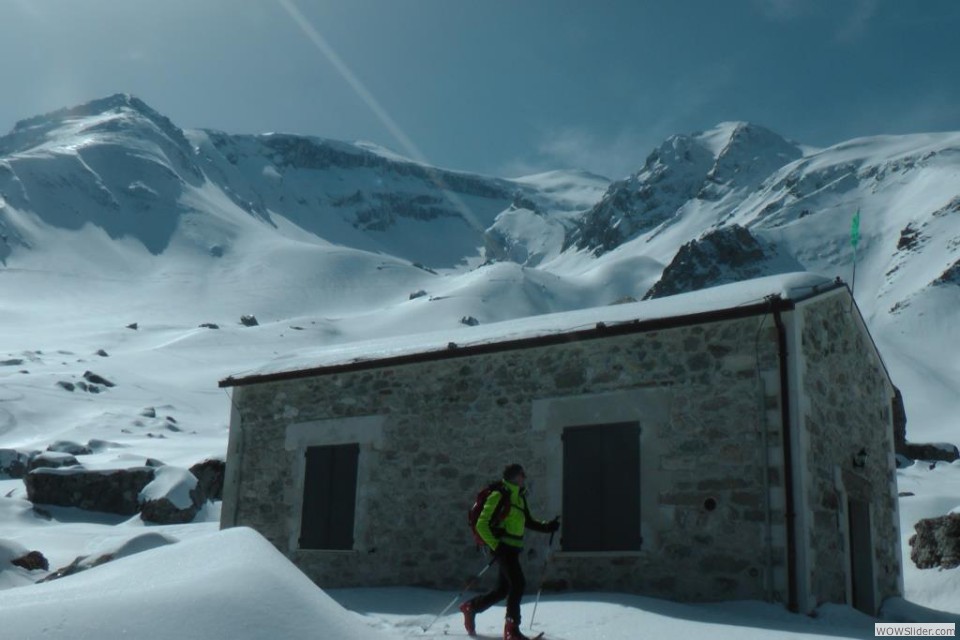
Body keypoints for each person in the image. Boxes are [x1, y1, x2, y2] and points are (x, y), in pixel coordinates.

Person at [459, 463, 559, 640]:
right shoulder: (500, 494)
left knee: (502, 589)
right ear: (515, 476)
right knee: (518, 583)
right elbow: (482, 524)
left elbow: (528, 521)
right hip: (503, 548)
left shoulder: (520, 497)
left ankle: (471, 607)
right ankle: (511, 630)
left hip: (512, 549)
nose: (524, 478)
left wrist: (548, 527)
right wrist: (496, 546)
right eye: (522, 474)